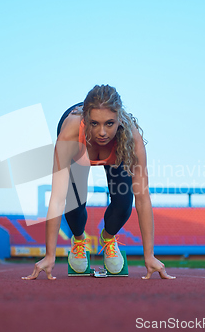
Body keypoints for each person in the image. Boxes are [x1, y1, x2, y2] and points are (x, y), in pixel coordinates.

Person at [22, 84, 175, 280]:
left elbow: (143, 198)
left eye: (109, 123)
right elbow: (57, 198)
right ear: (86, 119)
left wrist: (149, 256)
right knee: (74, 203)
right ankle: (78, 241)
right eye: (94, 123)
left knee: (123, 205)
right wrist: (50, 255)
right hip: (80, 147)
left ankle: (108, 238)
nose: (102, 132)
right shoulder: (70, 133)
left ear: (119, 120)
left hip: (118, 148)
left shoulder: (130, 137)